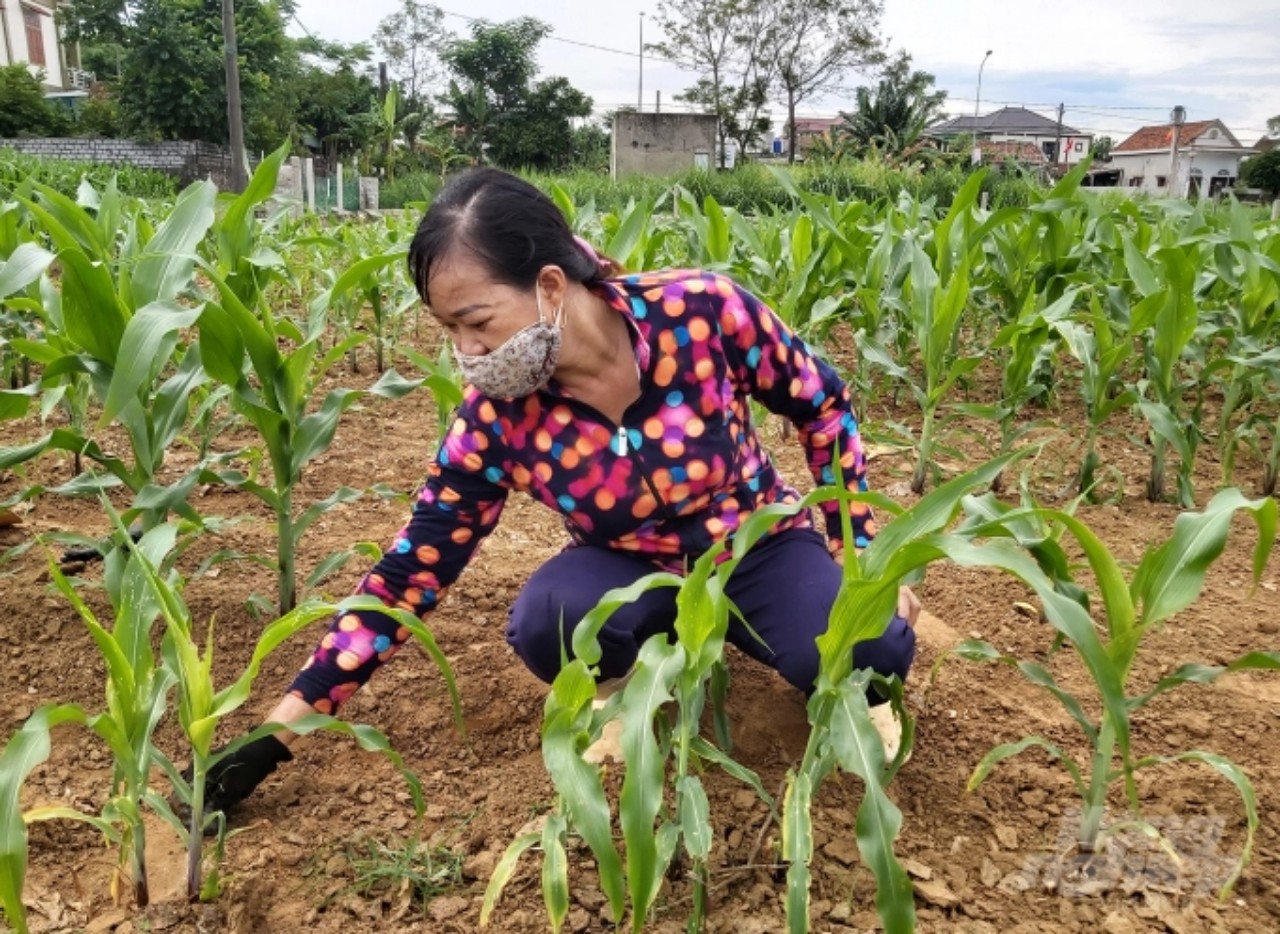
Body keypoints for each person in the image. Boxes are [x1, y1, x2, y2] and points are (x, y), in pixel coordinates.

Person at [198, 168, 920, 815]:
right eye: (449, 330)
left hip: (756, 546)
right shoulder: (495, 418)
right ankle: (626, 686)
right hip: (629, 571)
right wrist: (282, 727)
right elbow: (406, 575)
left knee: (869, 650)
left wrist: (859, 551)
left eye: (477, 322)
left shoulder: (701, 313)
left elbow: (821, 405)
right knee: (551, 619)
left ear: (549, 286)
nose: (468, 353)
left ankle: (821, 654)